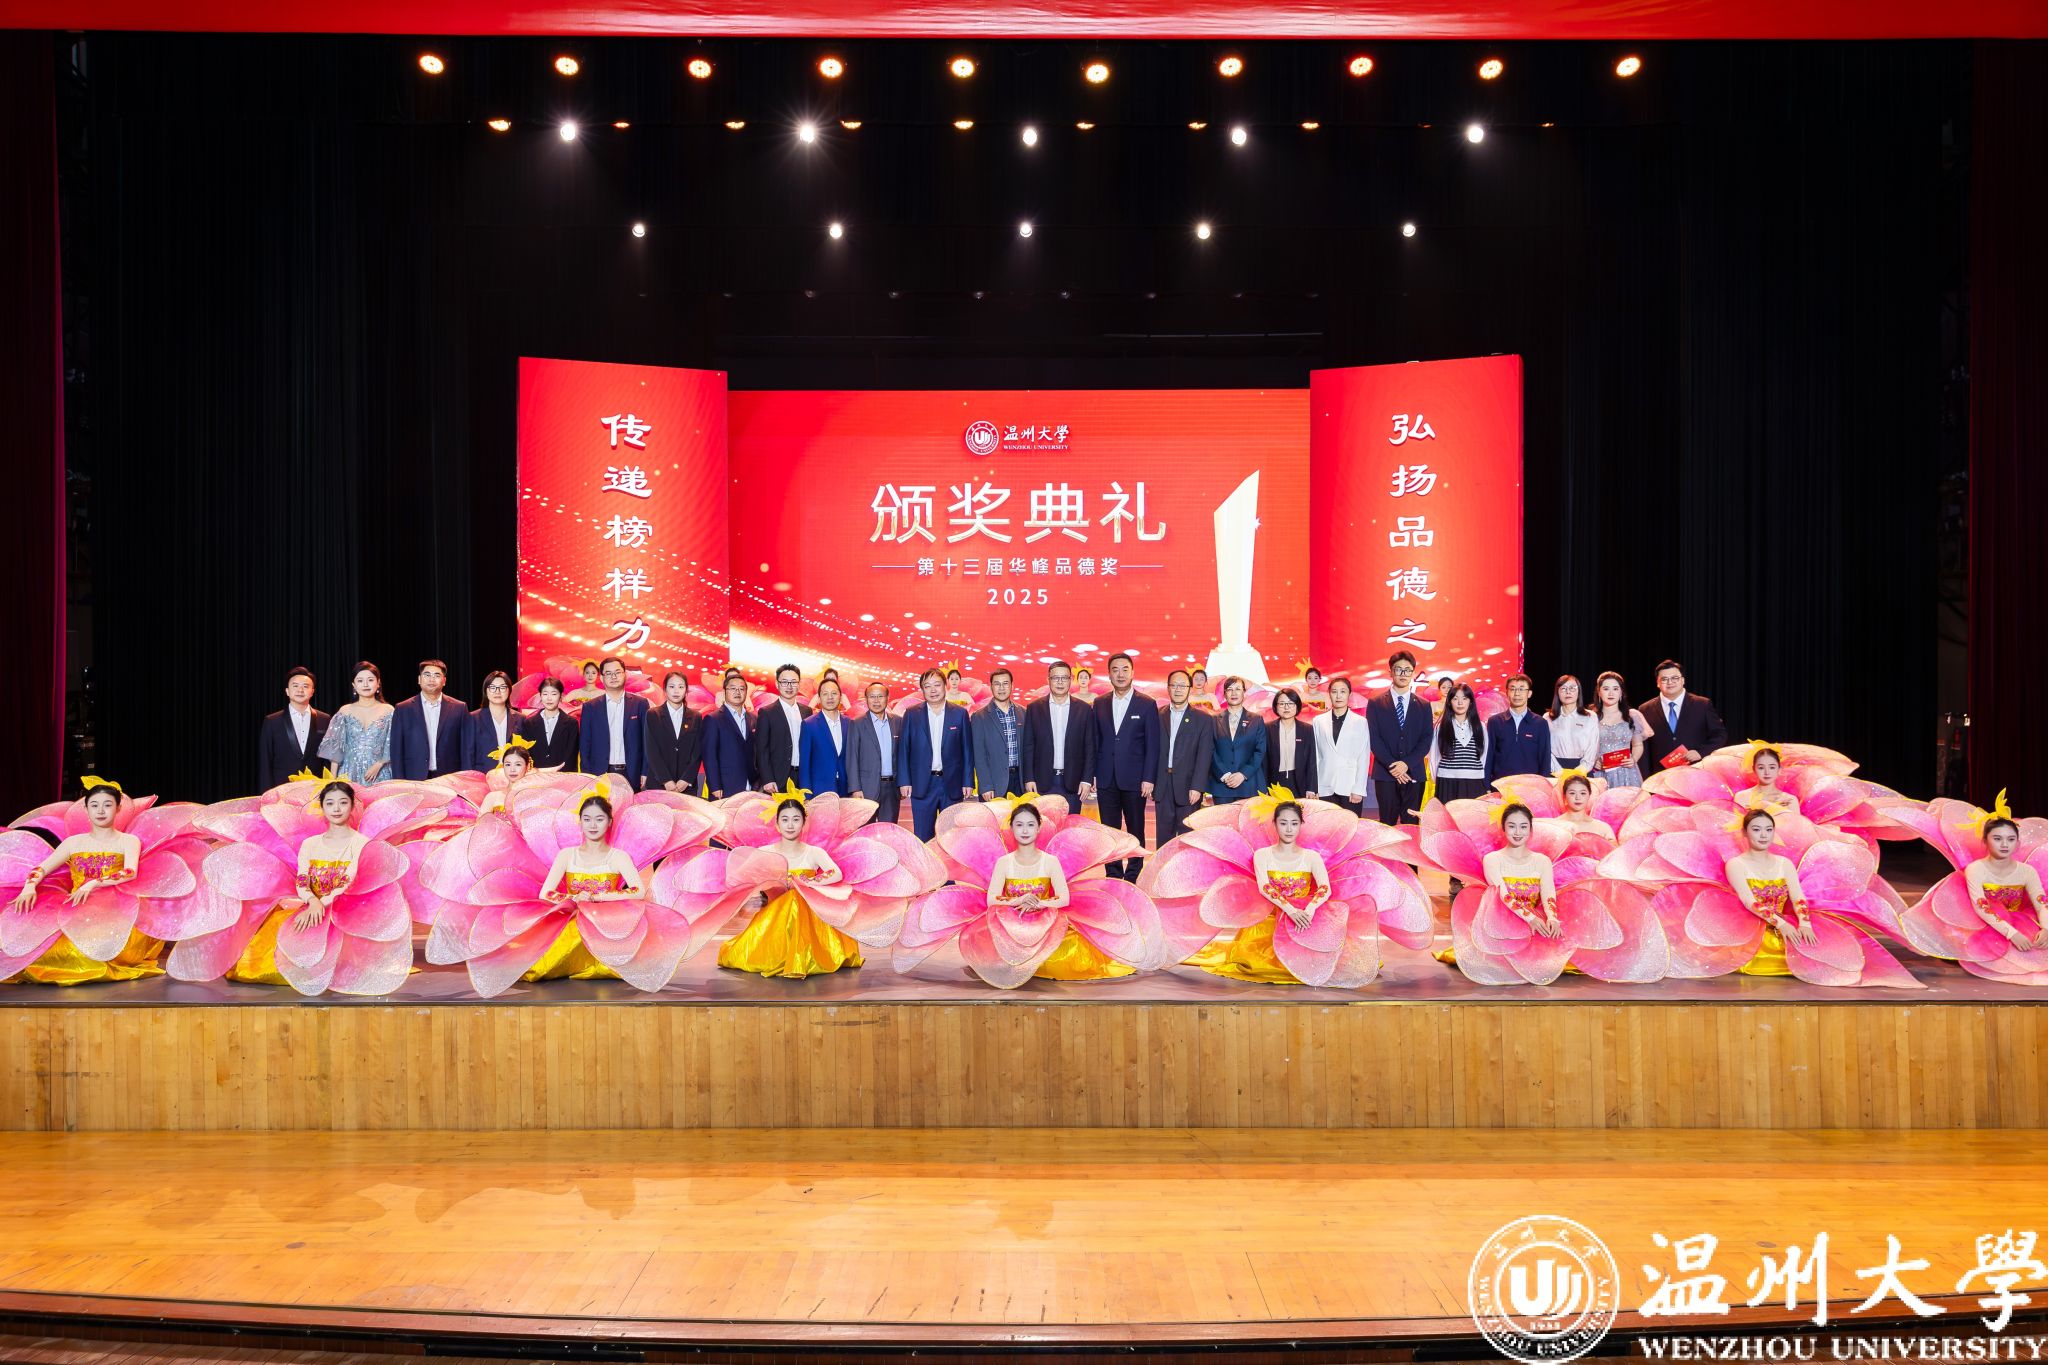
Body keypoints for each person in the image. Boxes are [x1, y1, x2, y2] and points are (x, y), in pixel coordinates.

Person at [6, 779, 160, 983]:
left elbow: (129, 872)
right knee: (46, 951)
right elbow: (41, 868)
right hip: (77, 905)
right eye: (94, 805)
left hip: (115, 908)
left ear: (118, 808)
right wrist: (29, 886)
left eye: (107, 805)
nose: (100, 811)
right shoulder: (74, 843)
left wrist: (93, 883)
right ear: (87, 809)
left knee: (91, 952)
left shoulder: (128, 841)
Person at [1192, 798, 1332, 984]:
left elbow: (1325, 888)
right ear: (1274, 824)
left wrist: (1309, 910)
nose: (1289, 829)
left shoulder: (1312, 857)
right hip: (1269, 918)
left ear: (1301, 825)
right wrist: (1291, 910)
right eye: (1283, 823)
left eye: (1294, 823)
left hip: (1303, 917)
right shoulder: (1263, 855)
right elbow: (1265, 887)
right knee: (1258, 962)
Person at [720, 793, 859, 978]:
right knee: (791, 900)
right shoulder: (765, 852)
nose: (790, 825)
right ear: (777, 825)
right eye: (785, 820)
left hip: (810, 918)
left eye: (796, 819)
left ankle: (801, 955)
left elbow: (836, 873)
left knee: (796, 899)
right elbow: (744, 876)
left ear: (803, 824)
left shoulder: (814, 852)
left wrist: (809, 882)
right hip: (775, 917)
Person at [987, 802, 1130, 980]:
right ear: (1012, 828)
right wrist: (1019, 900)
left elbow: (1064, 898)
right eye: (1019, 825)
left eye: (1030, 825)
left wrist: (1039, 903)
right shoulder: (1004, 862)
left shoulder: (1050, 861)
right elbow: (991, 898)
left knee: (1064, 954)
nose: (1025, 830)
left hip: (1044, 922)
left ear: (1038, 828)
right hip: (1013, 924)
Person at [527, 792, 645, 982]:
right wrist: (574, 898)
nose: (593, 825)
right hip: (573, 920)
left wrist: (597, 897)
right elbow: (545, 893)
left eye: (599, 819)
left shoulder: (619, 857)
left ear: (609, 822)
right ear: (580, 822)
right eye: (587, 819)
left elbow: (638, 891)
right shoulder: (567, 855)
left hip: (607, 924)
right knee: (539, 967)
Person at [1088, 652, 1159, 880]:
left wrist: (1148, 777)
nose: (1120, 674)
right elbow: (1094, 741)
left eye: (1125, 669)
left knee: (1135, 828)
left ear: (1132, 673)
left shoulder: (1147, 704)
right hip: (1106, 777)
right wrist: (1092, 774)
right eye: (1115, 670)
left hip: (1135, 779)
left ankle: (1134, 873)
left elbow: (1153, 745)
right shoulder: (1099, 703)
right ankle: (1113, 873)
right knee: (1109, 831)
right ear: (1109, 674)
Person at [1723, 808, 1815, 975]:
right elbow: (1748, 901)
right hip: (1753, 928)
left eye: (1769, 829)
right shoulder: (1736, 864)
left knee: (1811, 956)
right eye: (1756, 829)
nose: (1764, 835)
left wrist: (1805, 924)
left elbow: (1797, 896)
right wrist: (1781, 924)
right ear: (1744, 832)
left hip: (1784, 924)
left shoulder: (1784, 863)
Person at [896, 668, 971, 840]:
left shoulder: (960, 714)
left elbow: (967, 750)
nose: (933, 690)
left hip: (951, 784)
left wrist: (967, 781)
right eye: (927, 686)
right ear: (922, 689)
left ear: (945, 686)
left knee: (951, 837)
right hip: (922, 784)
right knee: (923, 837)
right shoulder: (911, 714)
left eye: (937, 685)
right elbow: (904, 749)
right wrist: (905, 780)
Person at [1963, 813, 2048, 954]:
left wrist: (2046, 928)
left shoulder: (2027, 871)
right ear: (1985, 841)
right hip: (1985, 922)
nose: (2004, 844)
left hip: (2019, 922)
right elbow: (1981, 908)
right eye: (1997, 839)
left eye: (2011, 839)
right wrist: (2012, 934)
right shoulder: (1975, 869)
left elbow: (2042, 904)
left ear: (2017, 843)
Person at [1363, 657, 1431, 824]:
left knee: (1411, 824)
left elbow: (1426, 739)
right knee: (1387, 824)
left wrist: (1406, 764)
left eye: (1407, 670)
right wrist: (1393, 766)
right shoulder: (1375, 703)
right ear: (1391, 672)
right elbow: (1374, 738)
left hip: (1414, 773)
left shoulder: (1424, 705)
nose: (1403, 673)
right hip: (1385, 774)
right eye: (1398, 669)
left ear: (1412, 673)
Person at [1483, 803, 1563, 942]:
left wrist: (1552, 918)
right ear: (1503, 828)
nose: (1517, 832)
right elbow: (1503, 895)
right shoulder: (1492, 859)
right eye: (1512, 826)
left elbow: (1548, 892)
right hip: (1502, 923)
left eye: (1523, 827)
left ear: (1531, 829)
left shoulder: (1542, 860)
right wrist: (1530, 918)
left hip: (1535, 922)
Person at [1022, 660, 1095, 803]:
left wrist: (1087, 779)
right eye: (1056, 678)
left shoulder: (1084, 709)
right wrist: (1029, 778)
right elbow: (1028, 746)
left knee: (1072, 818)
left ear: (1071, 680)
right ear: (1048, 680)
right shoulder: (1034, 708)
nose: (1060, 682)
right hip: (1041, 783)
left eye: (1064, 678)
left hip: (1074, 783)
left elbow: (1089, 746)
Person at [1155, 670, 1215, 845]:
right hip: (1162, 784)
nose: (1178, 689)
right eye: (1174, 685)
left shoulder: (1203, 719)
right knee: (1163, 839)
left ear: (1189, 688)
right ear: (1168, 688)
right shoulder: (1157, 715)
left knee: (1187, 839)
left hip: (1189, 787)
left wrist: (1197, 786)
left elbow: (1204, 755)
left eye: (1182, 685)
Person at [1639, 659, 1729, 773]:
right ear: (1658, 683)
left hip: (1696, 771)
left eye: (1675, 678)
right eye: (1664, 679)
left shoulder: (1702, 705)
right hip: (1660, 775)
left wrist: (1700, 752)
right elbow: (1643, 747)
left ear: (1683, 680)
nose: (1670, 682)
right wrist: (1644, 778)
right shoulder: (1645, 709)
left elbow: (1720, 735)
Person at [389, 659, 469, 782]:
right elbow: (396, 751)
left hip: (449, 778)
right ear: (419, 679)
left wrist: (464, 779)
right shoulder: (403, 709)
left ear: (444, 681)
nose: (432, 679)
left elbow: (466, 748)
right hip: (414, 777)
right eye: (427, 675)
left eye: (437, 675)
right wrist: (399, 783)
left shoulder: (459, 708)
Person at [577, 656, 651, 787]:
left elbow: (647, 741)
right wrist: (587, 775)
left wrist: (645, 771)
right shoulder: (590, 707)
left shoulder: (640, 704)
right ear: (601, 678)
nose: (613, 676)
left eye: (617, 672)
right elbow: (585, 744)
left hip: (633, 773)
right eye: (608, 673)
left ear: (625, 674)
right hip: (600, 773)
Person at [318, 662, 393, 785]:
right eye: (360, 680)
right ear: (354, 685)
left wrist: (380, 764)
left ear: (378, 683)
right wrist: (332, 782)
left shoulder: (388, 711)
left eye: (370, 680)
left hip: (379, 774)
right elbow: (335, 751)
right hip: (348, 774)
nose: (365, 684)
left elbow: (393, 744)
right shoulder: (345, 711)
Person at [258, 666, 331, 792]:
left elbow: (327, 759)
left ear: (312, 691)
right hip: (281, 789)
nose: (300, 690)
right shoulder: (272, 721)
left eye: (305, 686)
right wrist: (267, 794)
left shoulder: (324, 719)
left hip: (315, 789)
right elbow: (265, 761)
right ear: (287, 691)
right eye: (295, 686)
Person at [844, 681, 903, 824]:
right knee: (865, 830)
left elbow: (903, 755)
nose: (876, 701)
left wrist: (903, 783)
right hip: (866, 788)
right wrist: (855, 788)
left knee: (888, 829)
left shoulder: (898, 722)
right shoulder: (857, 723)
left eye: (880, 696)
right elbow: (852, 757)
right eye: (872, 697)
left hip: (892, 788)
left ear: (887, 698)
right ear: (866, 699)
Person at [645, 670, 706, 795]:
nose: (676, 691)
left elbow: (697, 751)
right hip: (659, 784)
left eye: (681, 687)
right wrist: (666, 780)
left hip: (686, 786)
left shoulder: (696, 717)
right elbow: (651, 750)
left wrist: (686, 779)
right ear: (665, 690)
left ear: (686, 690)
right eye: (672, 687)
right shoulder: (653, 714)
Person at [753, 663, 811, 794]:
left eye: (793, 682)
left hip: (803, 776)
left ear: (799, 684)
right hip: (778, 778)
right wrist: (767, 778)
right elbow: (761, 749)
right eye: (784, 682)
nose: (789, 686)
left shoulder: (807, 711)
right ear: (777, 684)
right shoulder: (766, 713)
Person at [1208, 676, 1266, 804]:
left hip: (1249, 784)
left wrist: (1242, 774)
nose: (1234, 693)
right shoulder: (1213, 720)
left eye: (1238, 689)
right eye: (1229, 689)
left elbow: (1260, 751)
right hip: (1222, 785)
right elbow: (1210, 750)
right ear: (1224, 694)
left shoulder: (1256, 720)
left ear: (1244, 693)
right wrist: (1224, 775)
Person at [1429, 683, 1490, 802]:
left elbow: (1484, 756)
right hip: (1447, 782)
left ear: (1470, 702)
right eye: (1455, 699)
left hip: (1475, 782)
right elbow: (1434, 757)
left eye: (1464, 698)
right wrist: (1440, 782)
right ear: (1449, 702)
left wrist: (1475, 773)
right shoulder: (1441, 727)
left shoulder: (1480, 727)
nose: (1460, 703)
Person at [970, 668, 1025, 799]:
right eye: (997, 684)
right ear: (991, 687)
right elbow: (979, 755)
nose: (1001, 688)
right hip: (994, 784)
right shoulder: (979, 717)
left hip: (1020, 782)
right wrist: (986, 785)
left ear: (1012, 686)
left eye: (1005, 683)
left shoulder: (1023, 713)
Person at [1485, 673, 1552, 780]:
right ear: (1507, 693)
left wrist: (1543, 784)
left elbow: (1545, 758)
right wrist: (1486, 783)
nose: (1517, 693)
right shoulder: (1495, 722)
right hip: (1500, 783)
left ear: (1529, 693)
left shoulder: (1540, 723)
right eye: (1512, 689)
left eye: (1521, 689)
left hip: (1530, 785)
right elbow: (1488, 755)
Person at [702, 669, 756, 800]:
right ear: (724, 691)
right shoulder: (713, 719)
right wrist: (714, 786)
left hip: (751, 785)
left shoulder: (753, 718)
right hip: (725, 786)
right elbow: (709, 755)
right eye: (733, 688)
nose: (737, 692)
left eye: (741, 689)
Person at [1591, 671, 1650, 788]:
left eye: (1615, 689)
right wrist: (1593, 761)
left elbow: (1638, 745)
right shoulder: (1591, 717)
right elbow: (1584, 746)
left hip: (1626, 772)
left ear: (1621, 692)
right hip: (1600, 772)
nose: (1611, 693)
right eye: (1606, 689)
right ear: (1599, 692)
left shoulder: (1631, 716)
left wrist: (1633, 759)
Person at [797, 678, 852, 797]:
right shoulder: (809, 724)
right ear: (819, 698)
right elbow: (804, 764)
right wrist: (806, 795)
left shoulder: (849, 723)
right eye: (825, 694)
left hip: (846, 790)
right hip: (819, 791)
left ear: (840, 697)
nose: (830, 697)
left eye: (834, 693)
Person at [518, 677, 580, 771]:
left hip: (563, 775)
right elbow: (526, 753)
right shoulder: (529, 723)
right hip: (536, 775)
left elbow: (571, 755)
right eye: (545, 694)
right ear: (540, 696)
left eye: (554, 694)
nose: (549, 698)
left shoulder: (571, 723)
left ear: (561, 696)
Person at [462, 671, 519, 774]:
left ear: (509, 690)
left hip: (513, 775)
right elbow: (467, 754)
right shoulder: (473, 718)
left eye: (502, 687)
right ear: (486, 690)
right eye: (492, 687)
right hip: (483, 776)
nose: (497, 691)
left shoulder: (521, 719)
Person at [1265, 688, 1318, 794]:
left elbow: (1311, 761)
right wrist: (1264, 787)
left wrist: (1311, 789)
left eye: (1290, 703)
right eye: (1282, 703)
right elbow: (1263, 761)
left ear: (1297, 706)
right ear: (1276, 706)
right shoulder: (1267, 728)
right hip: (1274, 783)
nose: (1286, 707)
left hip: (1299, 782)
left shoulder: (1307, 729)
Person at [1545, 675, 1598, 776]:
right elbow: (1546, 749)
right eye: (1563, 688)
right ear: (1557, 692)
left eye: (1572, 688)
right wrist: (1559, 771)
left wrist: (1580, 771)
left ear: (1579, 691)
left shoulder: (1590, 717)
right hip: (1555, 770)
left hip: (1583, 770)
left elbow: (1592, 748)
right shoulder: (1547, 718)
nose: (1568, 692)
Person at [477, 738, 537, 814]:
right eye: (508, 765)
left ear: (527, 766)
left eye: (518, 764)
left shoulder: (533, 797)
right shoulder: (493, 797)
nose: (512, 769)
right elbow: (481, 821)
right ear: (503, 766)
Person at [1738, 746, 1800, 814]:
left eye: (1772, 767)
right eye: (1761, 768)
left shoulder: (1790, 800)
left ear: (1779, 769)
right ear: (1754, 769)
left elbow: (1796, 820)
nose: (1767, 772)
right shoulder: (1742, 797)